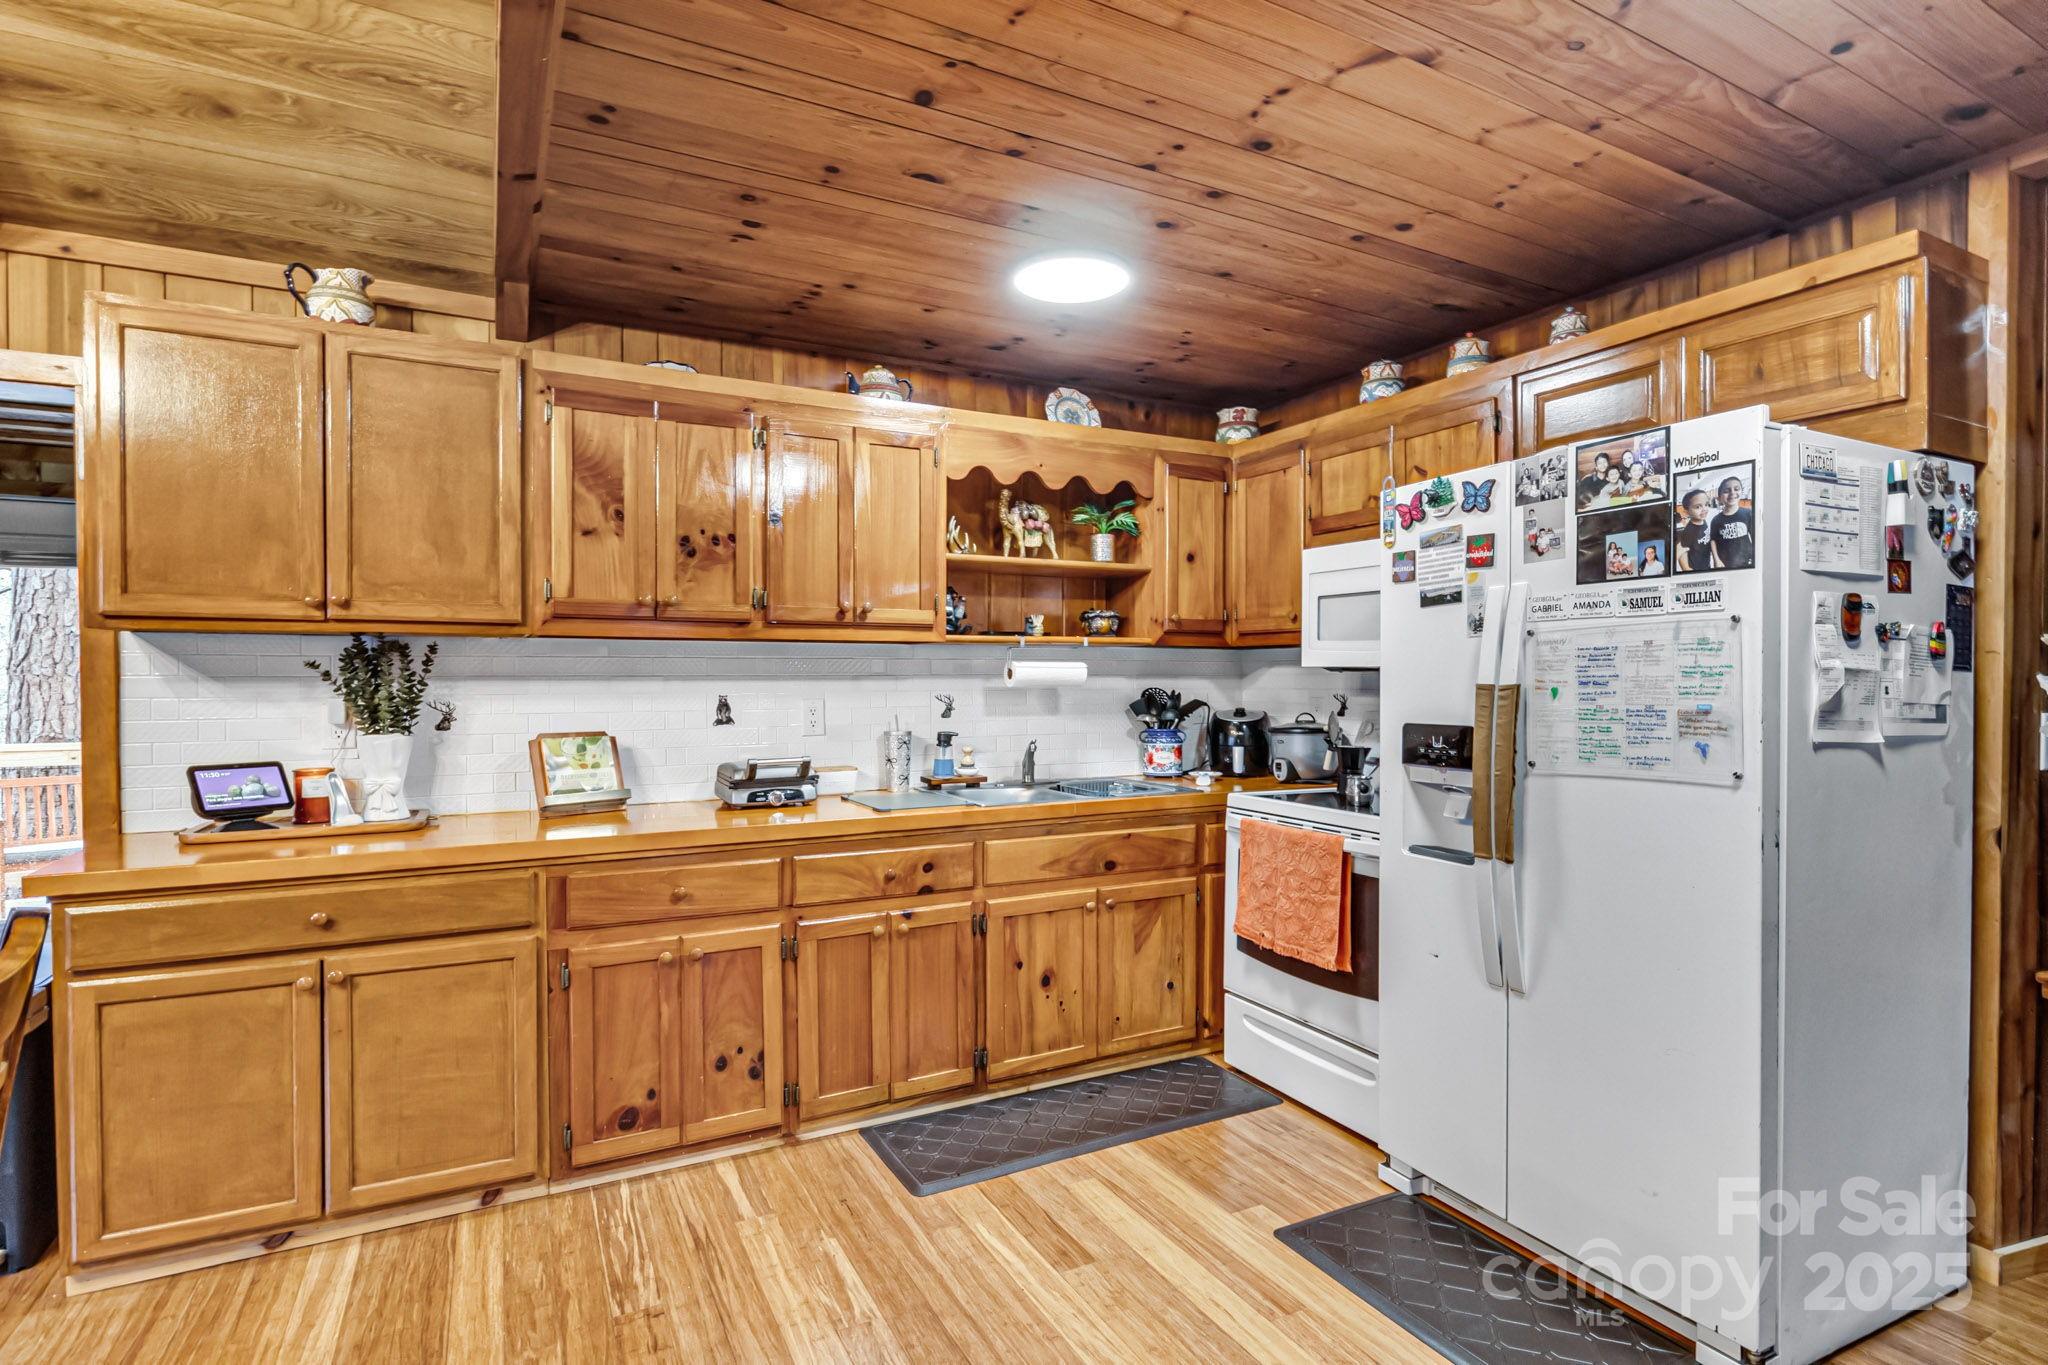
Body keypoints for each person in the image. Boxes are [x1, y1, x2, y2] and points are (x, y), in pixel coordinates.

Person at [1710, 474, 1755, 569]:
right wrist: (1716, 559)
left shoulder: (1748, 513)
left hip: (1747, 561)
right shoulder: (1716, 520)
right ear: (1720, 497)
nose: (1732, 493)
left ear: (1742, 491)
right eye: (1726, 491)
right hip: (1725, 563)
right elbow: (1713, 540)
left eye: (1736, 489)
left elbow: (1756, 538)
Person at [1675, 488, 1712, 572]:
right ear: (1686, 512)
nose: (1704, 509)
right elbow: (1683, 561)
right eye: (1698, 507)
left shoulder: (1703, 521)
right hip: (1697, 571)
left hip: (1706, 565)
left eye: (1706, 504)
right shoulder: (1688, 533)